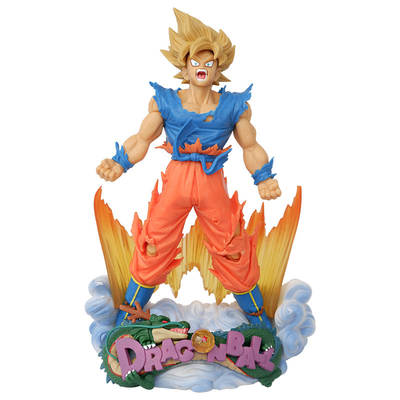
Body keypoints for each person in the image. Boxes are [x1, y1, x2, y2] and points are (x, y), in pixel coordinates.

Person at [96, 9, 281, 329]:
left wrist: (263, 178)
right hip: (177, 180)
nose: (202, 67)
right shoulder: (165, 101)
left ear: (219, 68)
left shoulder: (233, 106)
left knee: (232, 249)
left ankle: (257, 319)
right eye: (196, 61)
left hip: (212, 184)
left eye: (209, 62)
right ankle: (129, 314)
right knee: (153, 245)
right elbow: (142, 138)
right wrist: (119, 163)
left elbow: (250, 146)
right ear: (184, 67)